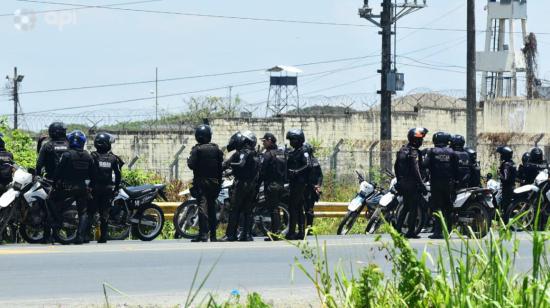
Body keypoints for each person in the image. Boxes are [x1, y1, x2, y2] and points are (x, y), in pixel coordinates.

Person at [53, 130, 94, 245]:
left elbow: (58, 171)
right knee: (83, 212)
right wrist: (90, 186)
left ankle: (56, 229)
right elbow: (92, 174)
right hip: (82, 188)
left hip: (67, 188)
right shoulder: (88, 156)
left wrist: (54, 183)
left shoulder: (66, 155)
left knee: (56, 206)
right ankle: (80, 237)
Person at [187, 124, 224, 242]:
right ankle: (213, 235)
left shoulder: (197, 149)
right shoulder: (216, 149)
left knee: (203, 207)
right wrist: (219, 183)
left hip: (202, 182)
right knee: (212, 208)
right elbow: (220, 167)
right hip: (214, 182)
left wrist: (189, 159)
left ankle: (203, 234)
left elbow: (191, 165)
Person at [222, 131, 258, 242]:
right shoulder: (254, 153)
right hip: (252, 185)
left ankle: (230, 235)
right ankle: (246, 235)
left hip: (241, 184)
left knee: (234, 209)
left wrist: (228, 164)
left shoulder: (242, 152)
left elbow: (239, 164)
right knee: (247, 210)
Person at [394, 127, 428, 239]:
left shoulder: (402, 150)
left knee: (406, 206)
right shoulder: (413, 152)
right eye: (420, 139)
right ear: (415, 140)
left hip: (403, 183)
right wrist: (421, 184)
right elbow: (416, 169)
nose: (421, 142)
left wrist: (399, 181)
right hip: (412, 184)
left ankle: (397, 229)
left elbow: (396, 167)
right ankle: (411, 231)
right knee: (413, 207)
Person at [89, 132, 123, 244]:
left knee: (90, 212)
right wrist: (116, 188)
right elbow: (118, 175)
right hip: (107, 189)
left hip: (94, 189)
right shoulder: (112, 158)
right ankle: (103, 237)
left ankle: (86, 235)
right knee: (104, 214)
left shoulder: (92, 156)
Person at [425, 132, 459, 239]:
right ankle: (448, 231)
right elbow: (456, 168)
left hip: (436, 184)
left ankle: (437, 232)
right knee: (448, 208)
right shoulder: (452, 152)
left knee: (437, 208)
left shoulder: (432, 152)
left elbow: (425, 164)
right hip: (449, 184)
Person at [259, 133, 287, 241]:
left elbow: (262, 171)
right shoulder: (281, 153)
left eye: (264, 141)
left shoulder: (268, 154)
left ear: (270, 141)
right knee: (276, 208)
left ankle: (276, 233)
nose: (263, 143)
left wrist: (257, 184)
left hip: (271, 185)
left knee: (273, 209)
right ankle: (276, 232)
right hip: (280, 184)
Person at [285, 128, 311, 240]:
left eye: (293, 140)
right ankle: (299, 232)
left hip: (300, 183)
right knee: (298, 208)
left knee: (294, 207)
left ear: (299, 140)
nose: (291, 142)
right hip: (294, 183)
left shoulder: (303, 151)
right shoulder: (293, 152)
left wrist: (297, 171)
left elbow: (308, 164)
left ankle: (293, 232)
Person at [303, 143, 323, 233]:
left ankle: (309, 229)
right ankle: (305, 229)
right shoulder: (308, 161)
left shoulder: (313, 161)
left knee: (309, 210)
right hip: (306, 188)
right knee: (305, 210)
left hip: (310, 190)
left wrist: (317, 186)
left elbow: (320, 175)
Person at [496, 146, 517, 214]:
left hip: (506, 189)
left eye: (502, 154)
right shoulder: (512, 163)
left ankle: (505, 222)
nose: (501, 156)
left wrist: (499, 174)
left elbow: (505, 178)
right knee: (508, 206)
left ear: (505, 155)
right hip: (512, 187)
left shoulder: (506, 165)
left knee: (506, 207)